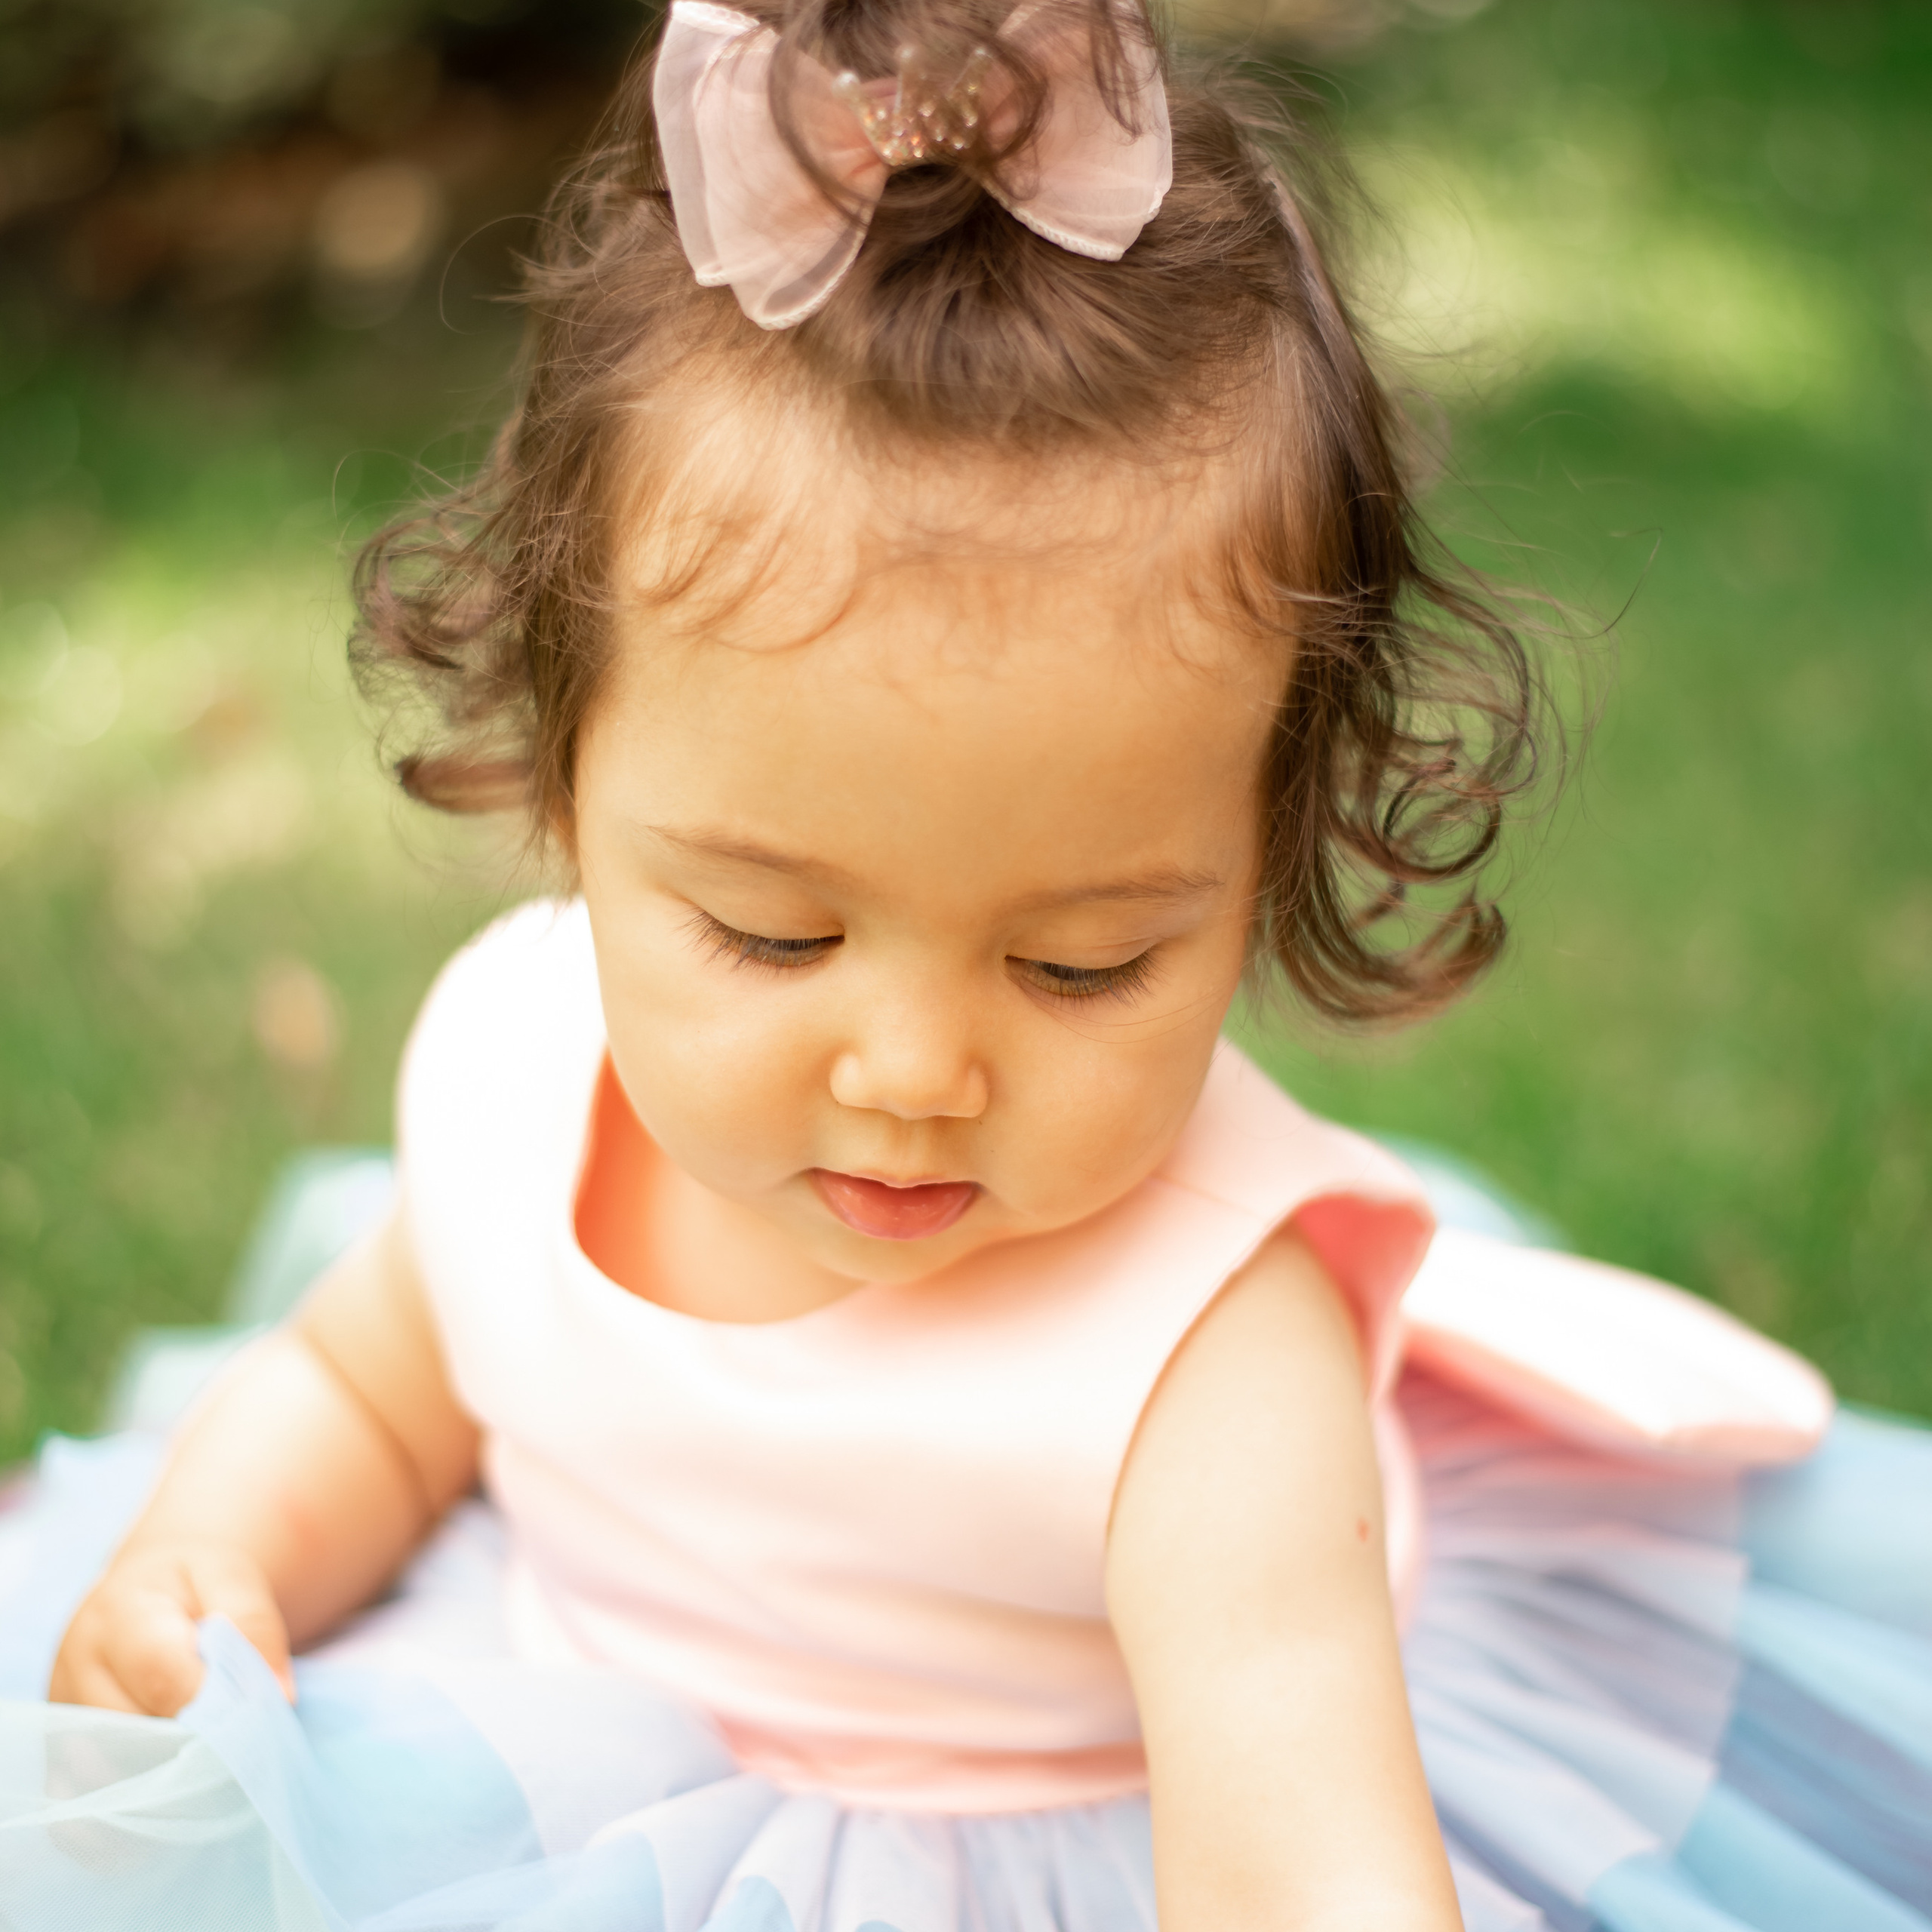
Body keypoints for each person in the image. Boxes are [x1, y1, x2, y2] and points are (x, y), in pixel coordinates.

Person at [5, 2, 1930, 1927]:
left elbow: (1298, 1859)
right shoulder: (514, 1064)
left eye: (1081, 961)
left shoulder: (1209, 1365)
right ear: (565, 775)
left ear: (1265, 853)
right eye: (771, 931)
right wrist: (214, 1548)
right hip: (556, 1748)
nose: (914, 1069)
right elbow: (373, 1388)